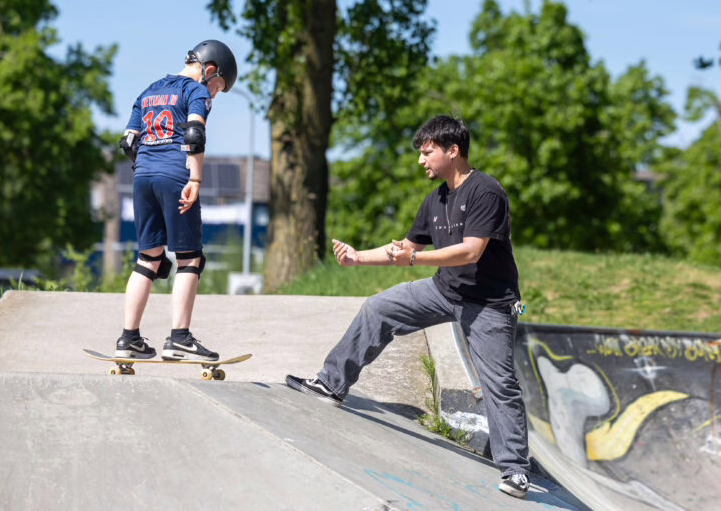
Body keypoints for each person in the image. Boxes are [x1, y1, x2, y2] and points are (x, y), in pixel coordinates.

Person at [285, 114, 532, 499]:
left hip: (489, 304)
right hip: (443, 291)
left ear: (453, 151)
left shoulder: (486, 192)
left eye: (427, 152)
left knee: (499, 383)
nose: (421, 160)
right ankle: (332, 384)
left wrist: (415, 261)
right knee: (378, 308)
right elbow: (405, 248)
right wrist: (358, 258)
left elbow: (470, 251)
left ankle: (515, 469)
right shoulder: (436, 199)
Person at [114, 40, 237, 363]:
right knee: (189, 258)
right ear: (209, 71)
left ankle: (129, 339)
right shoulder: (194, 91)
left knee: (148, 258)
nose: (212, 95)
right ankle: (180, 337)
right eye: (217, 88)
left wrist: (149, 171)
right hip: (175, 176)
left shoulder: (149, 91)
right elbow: (194, 134)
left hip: (141, 178)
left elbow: (129, 142)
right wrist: (194, 179)